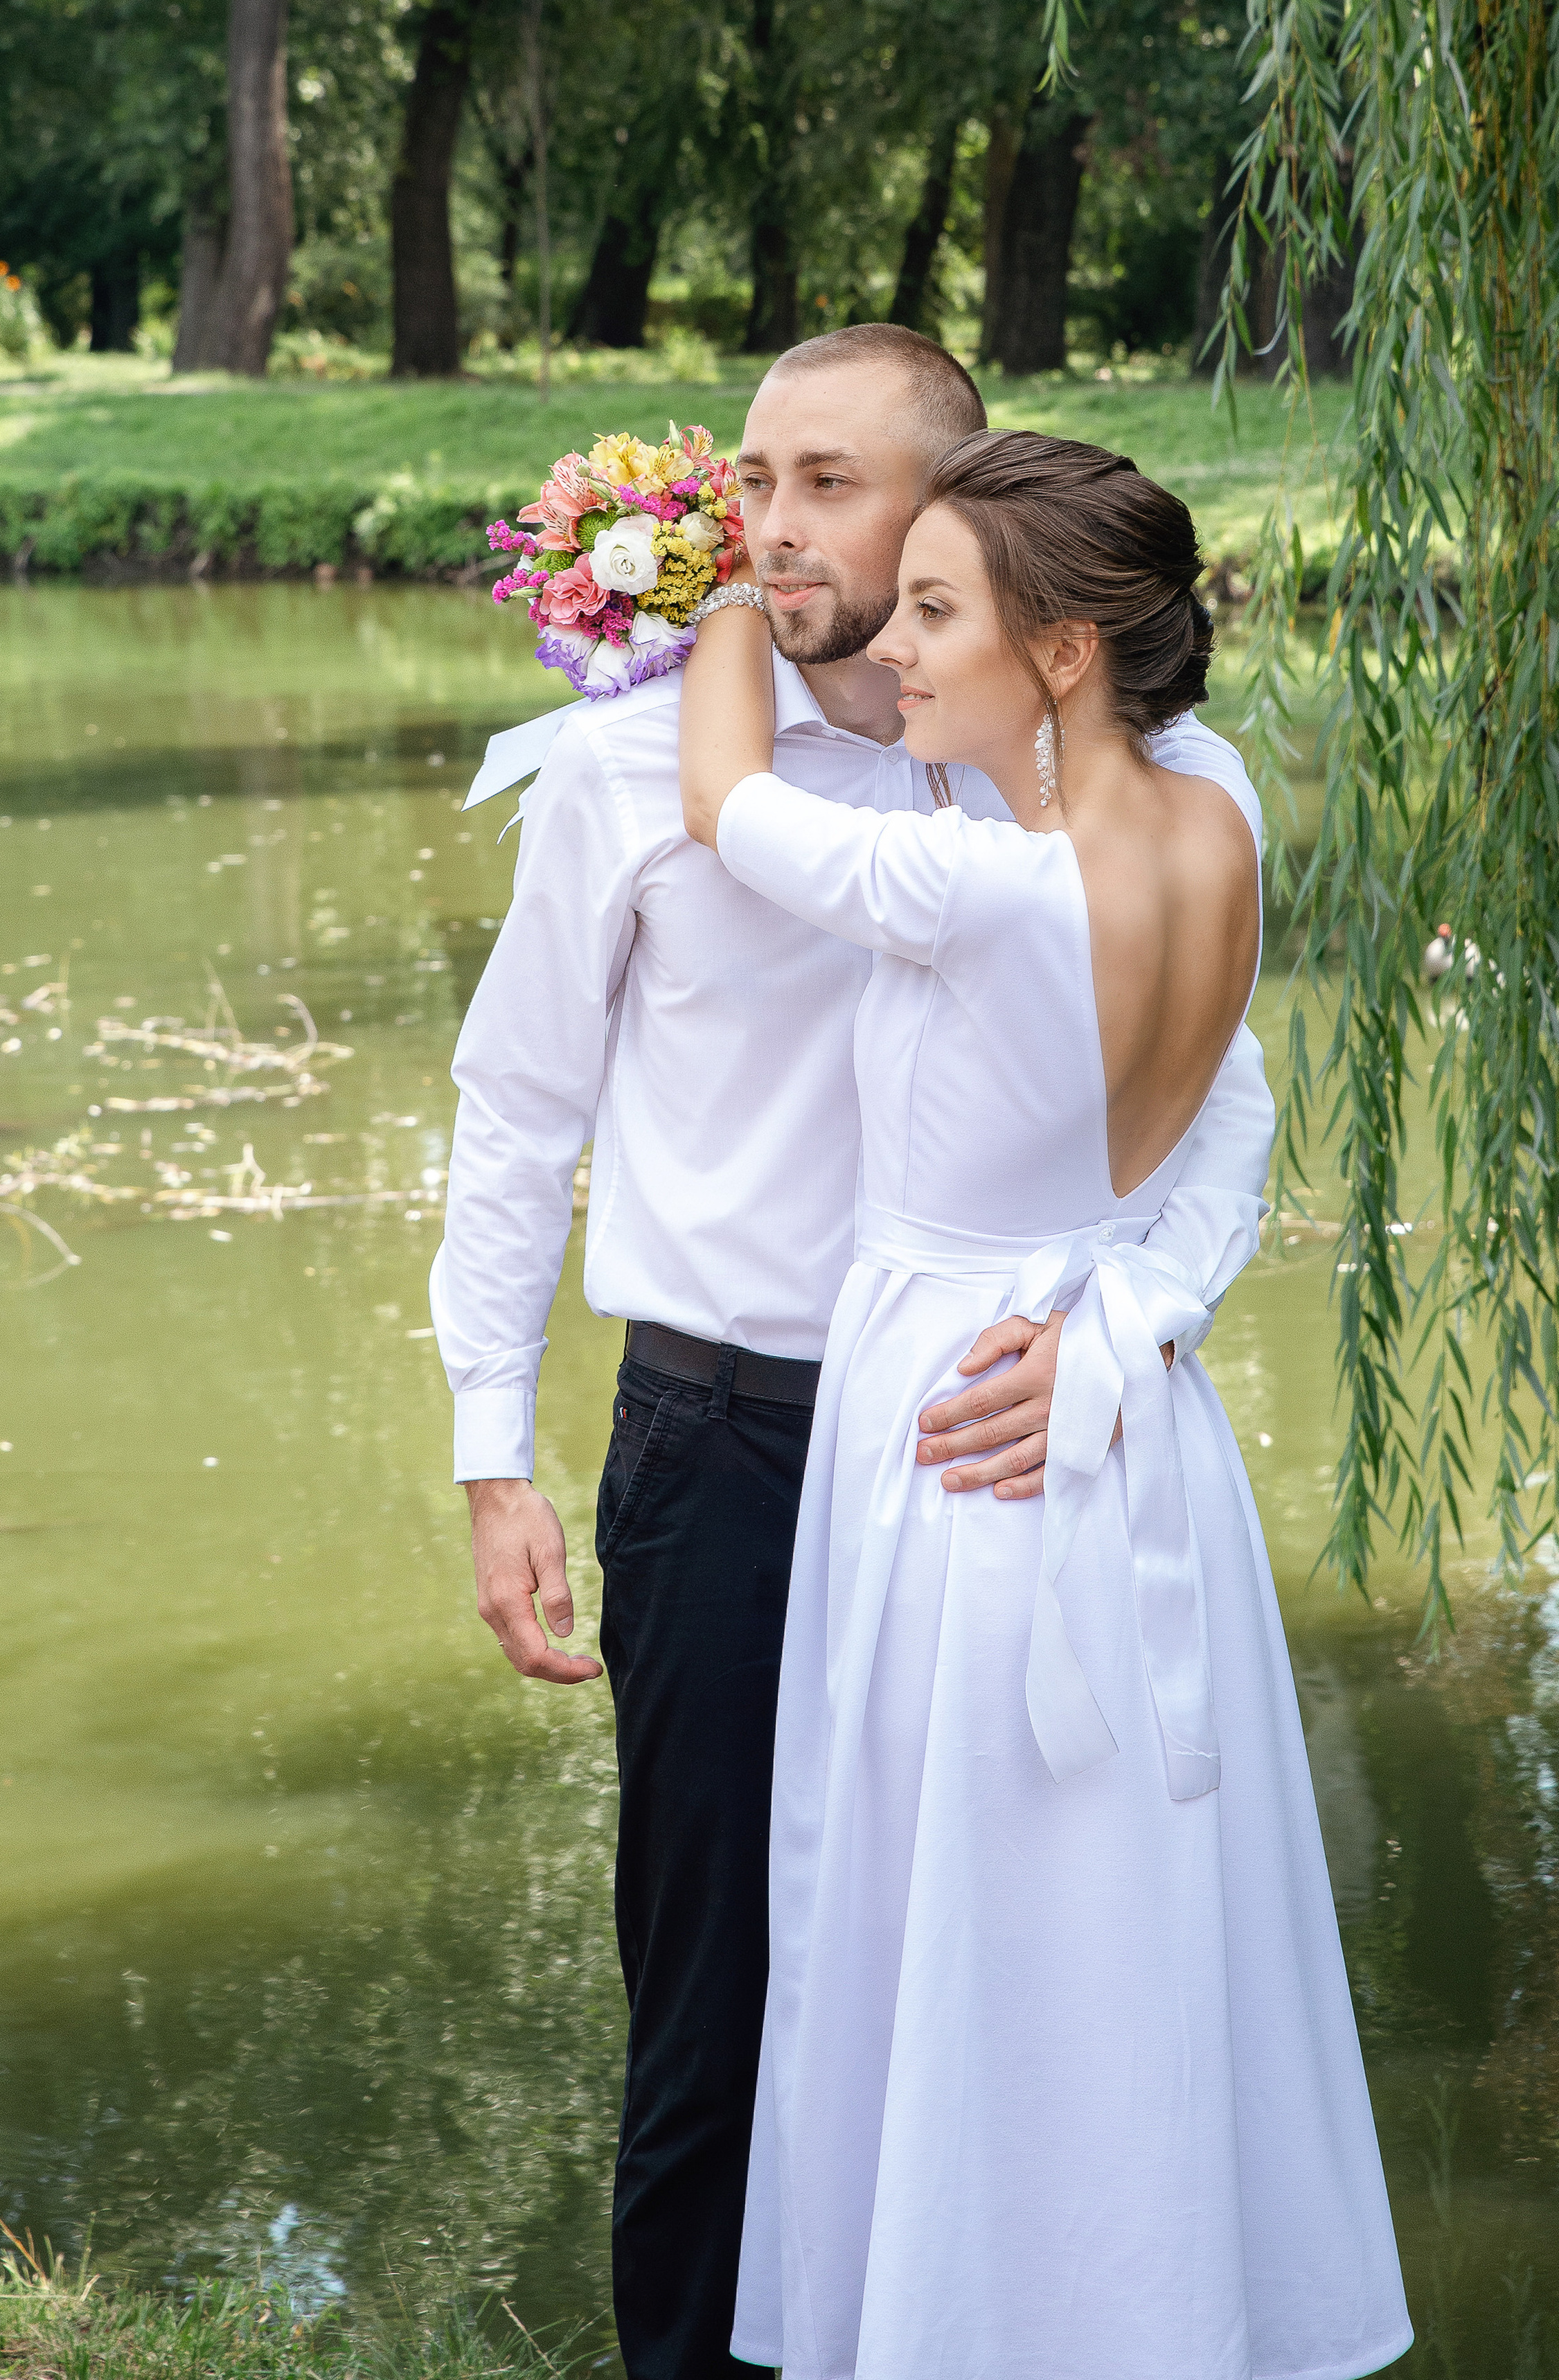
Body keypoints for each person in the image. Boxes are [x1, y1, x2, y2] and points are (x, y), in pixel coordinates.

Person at [430, 326, 1276, 2380]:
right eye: (751, 479)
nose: (770, 527)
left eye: (828, 485)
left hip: (990, 1470)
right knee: (718, 2022)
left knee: (1007, 2003)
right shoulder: (624, 771)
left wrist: (1123, 1333)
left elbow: (1223, 1116)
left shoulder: (1075, 782)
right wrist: (491, 1451)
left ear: (961, 515)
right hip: (723, 1455)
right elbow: (515, 1113)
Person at [679, 429, 1411, 2380]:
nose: (897, 652)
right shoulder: (1220, 811)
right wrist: (1136, 1318)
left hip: (960, 1432)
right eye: (894, 607)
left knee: (974, 1908)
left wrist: (707, 590)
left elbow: (728, 802)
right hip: (1111, 1406)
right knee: (1131, 1917)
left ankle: (974, 2325)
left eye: (935, 611)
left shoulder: (976, 883)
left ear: (1068, 649)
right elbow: (1236, 1119)